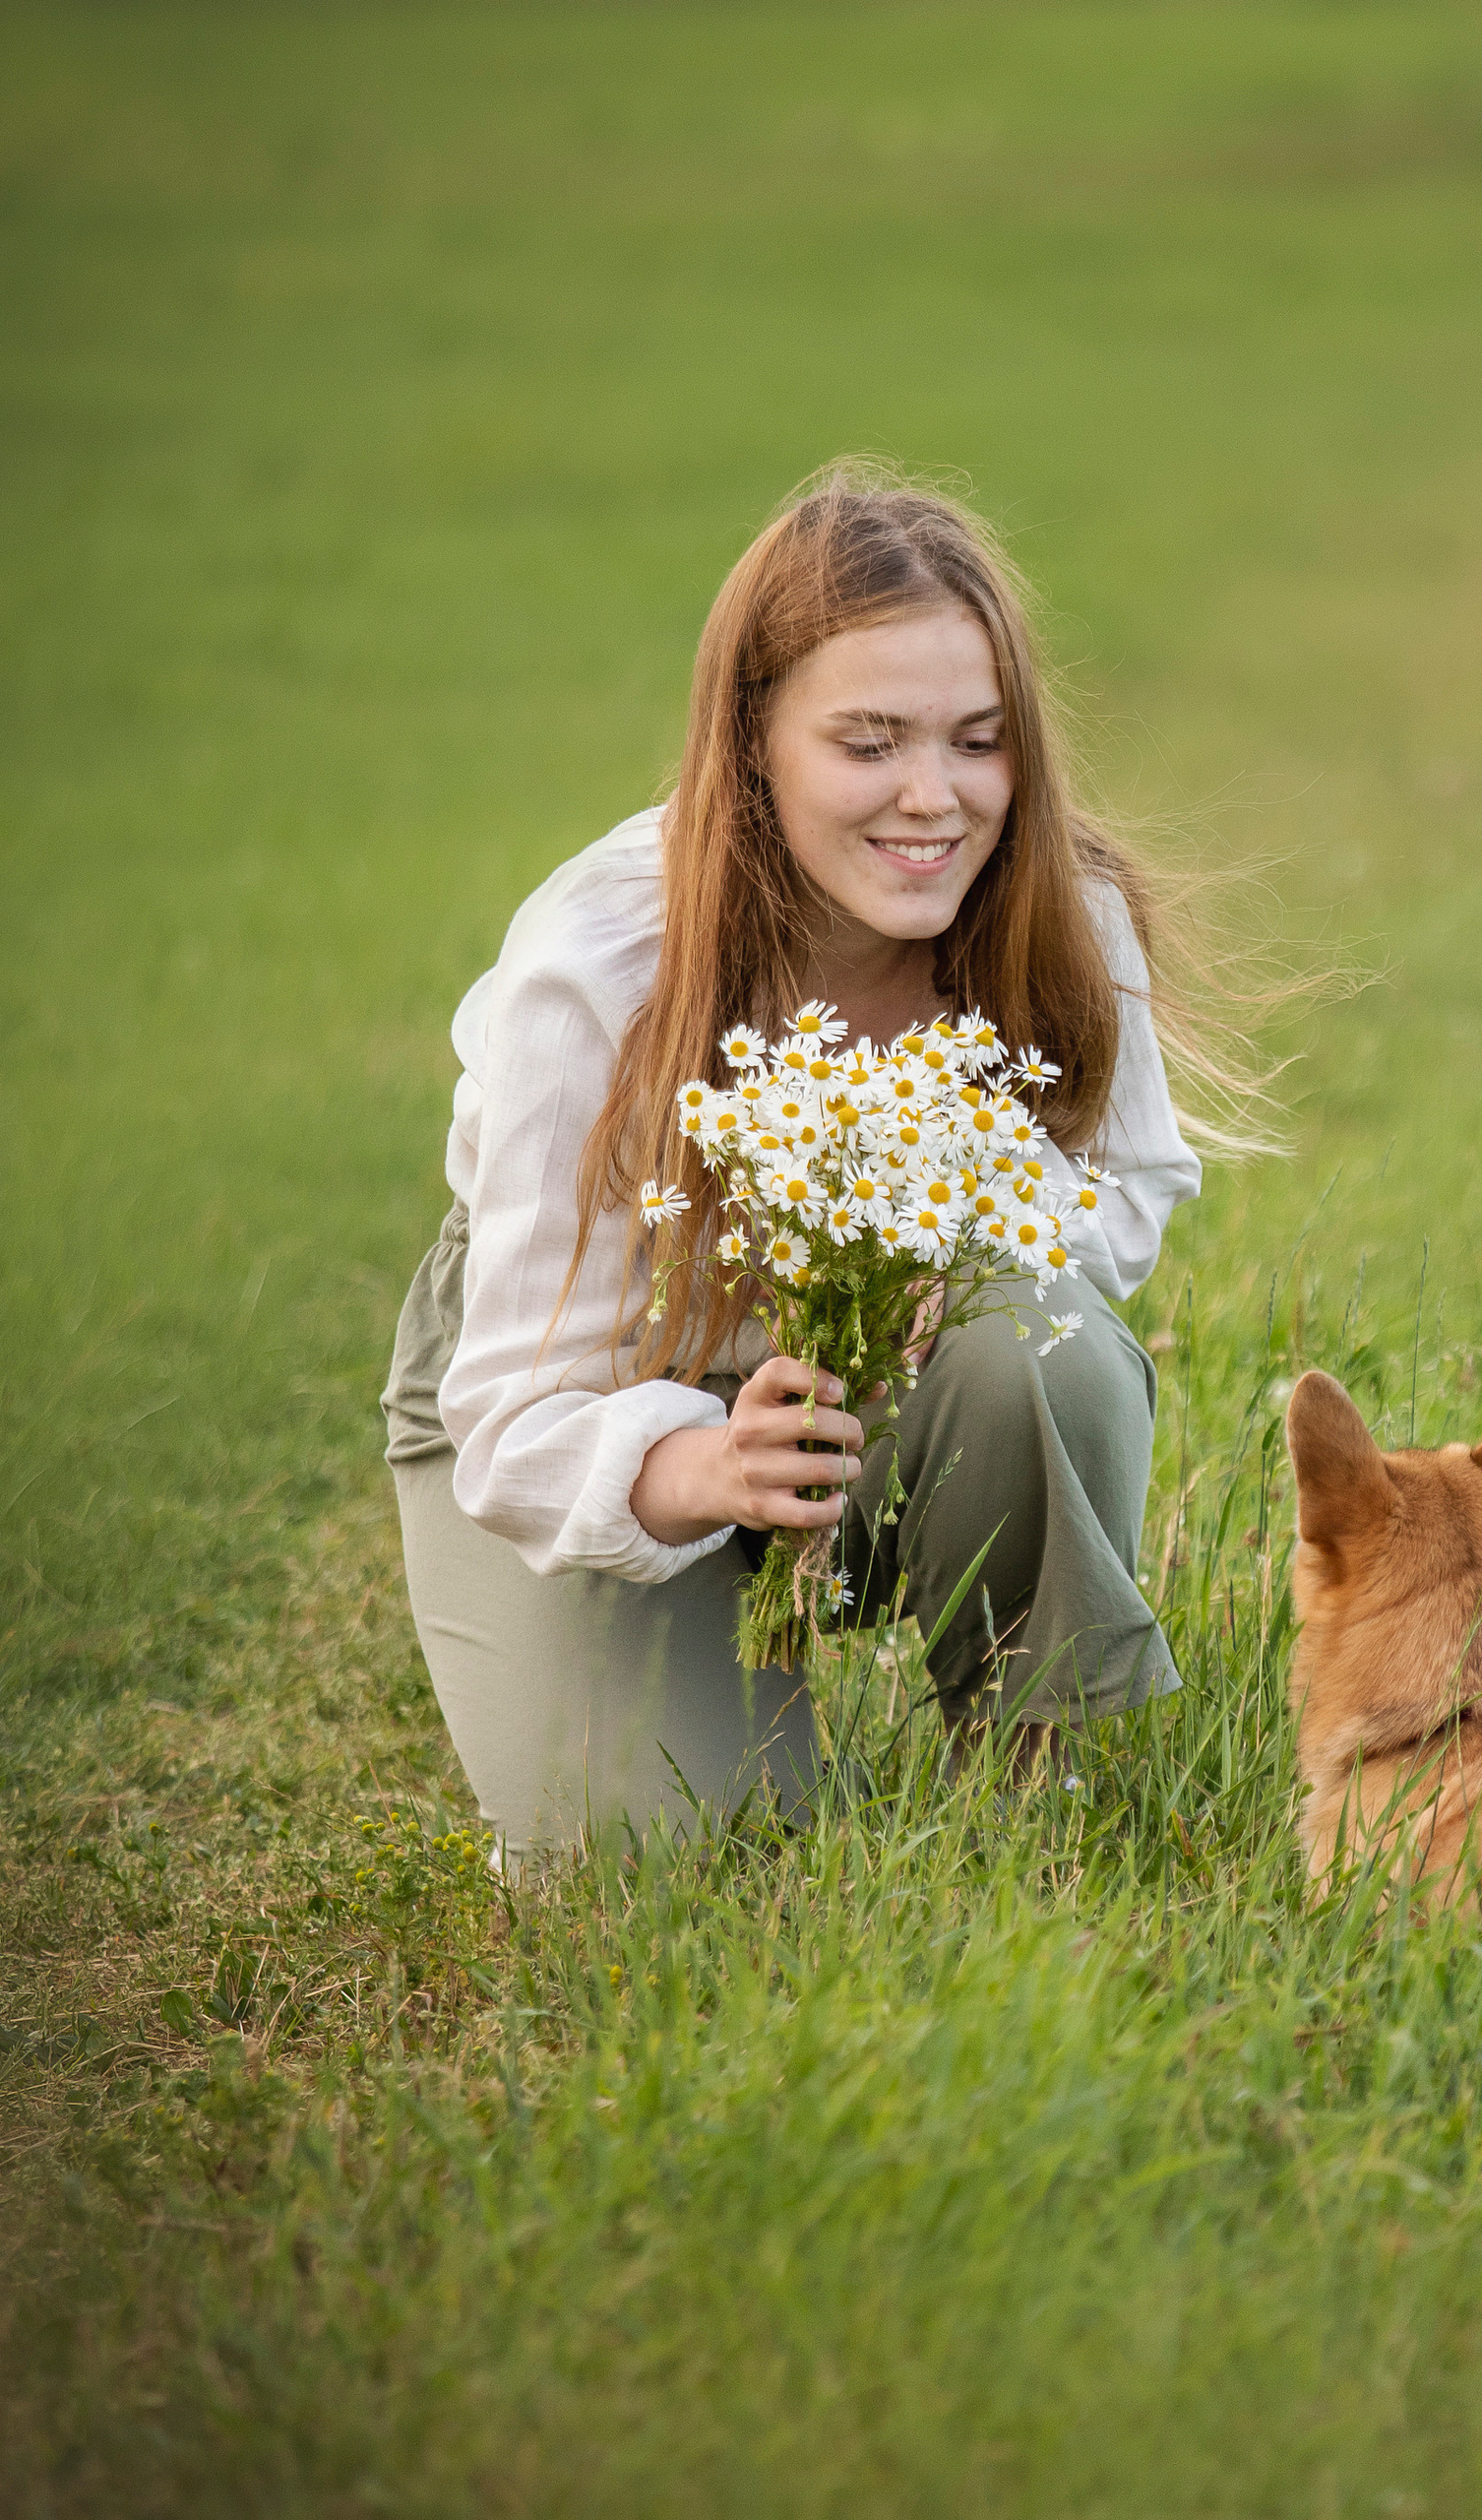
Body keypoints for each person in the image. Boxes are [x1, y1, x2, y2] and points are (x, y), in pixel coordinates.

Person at [380, 470, 1214, 1871]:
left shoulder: (1060, 910)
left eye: (978, 741)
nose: (934, 799)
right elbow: (515, 1419)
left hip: (886, 1358)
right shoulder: (596, 968)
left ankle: (1025, 1762)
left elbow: (1128, 1188)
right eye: (868, 742)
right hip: (595, 1392)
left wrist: (966, 1266)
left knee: (1042, 1351)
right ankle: (713, 1704)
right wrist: (707, 1461)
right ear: (752, 738)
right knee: (670, 1867)